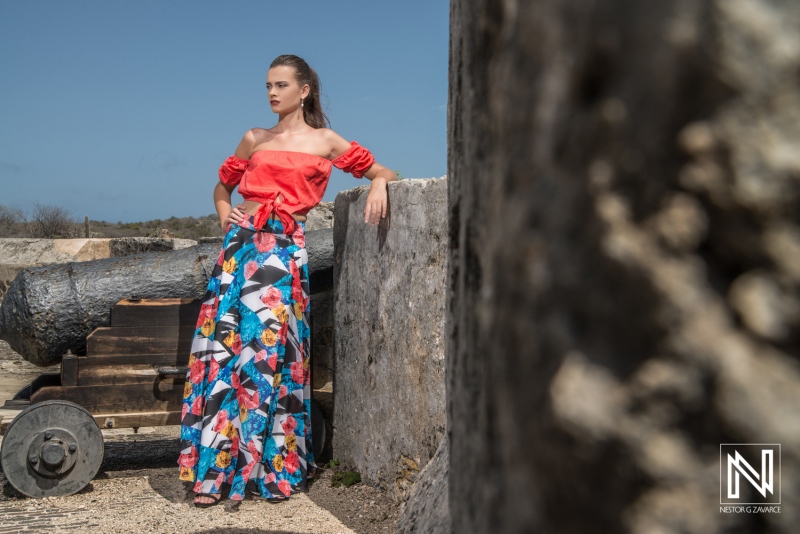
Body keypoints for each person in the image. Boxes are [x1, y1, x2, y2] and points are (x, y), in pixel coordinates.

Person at [178, 54, 396, 507]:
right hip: (239, 254)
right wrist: (226, 216)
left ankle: (270, 471)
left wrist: (377, 184)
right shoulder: (254, 138)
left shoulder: (325, 141)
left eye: (280, 85)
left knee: (269, 360)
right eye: (267, 86)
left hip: (282, 256)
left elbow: (382, 171)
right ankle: (215, 475)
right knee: (225, 358)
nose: (272, 93)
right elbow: (221, 188)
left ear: (305, 90)